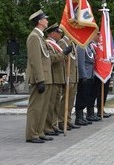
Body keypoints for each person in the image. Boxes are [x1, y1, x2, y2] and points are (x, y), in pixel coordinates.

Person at [25, 10, 53, 143]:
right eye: (45, 19)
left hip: (46, 77)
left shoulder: (40, 37)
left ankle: (39, 131)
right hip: (40, 78)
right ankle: (32, 134)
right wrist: (40, 79)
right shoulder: (34, 37)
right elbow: (35, 60)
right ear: (40, 21)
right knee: (36, 107)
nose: (47, 21)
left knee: (43, 107)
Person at [44, 23, 72, 136]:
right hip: (53, 78)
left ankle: (54, 125)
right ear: (52, 33)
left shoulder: (55, 44)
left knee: (56, 105)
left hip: (59, 78)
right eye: (58, 32)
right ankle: (48, 127)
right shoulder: (48, 44)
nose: (60, 34)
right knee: (50, 105)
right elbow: (52, 59)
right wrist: (63, 53)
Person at [57, 35, 80, 130]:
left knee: (71, 100)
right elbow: (62, 59)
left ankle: (68, 119)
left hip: (74, 76)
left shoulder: (73, 44)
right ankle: (61, 121)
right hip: (68, 75)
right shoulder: (62, 42)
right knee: (65, 100)